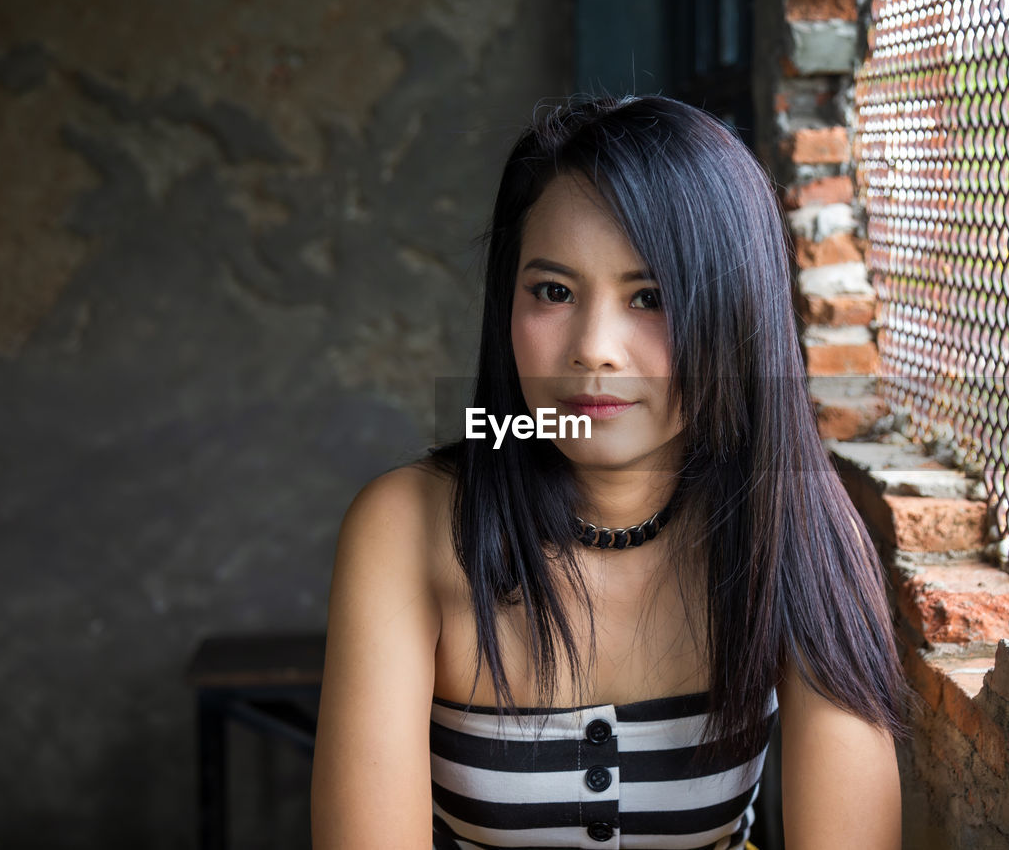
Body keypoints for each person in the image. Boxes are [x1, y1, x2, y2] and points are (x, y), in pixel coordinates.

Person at [311, 95, 906, 850]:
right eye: (553, 292)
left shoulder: (793, 527)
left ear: (732, 314)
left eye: (649, 298)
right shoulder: (409, 528)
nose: (595, 347)